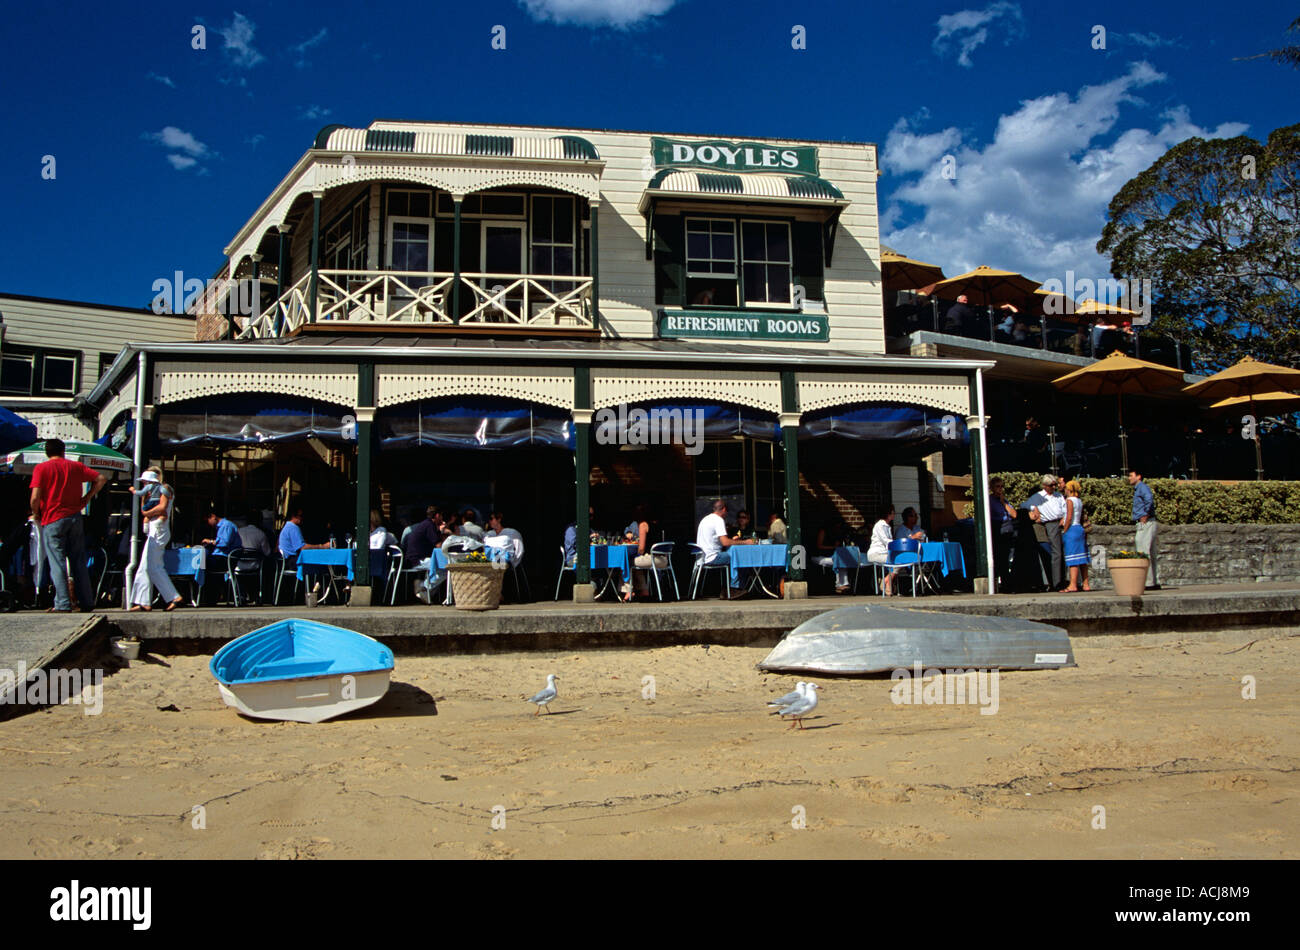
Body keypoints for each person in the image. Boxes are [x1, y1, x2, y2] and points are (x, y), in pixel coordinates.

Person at [29, 439, 107, 613]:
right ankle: (86, 601)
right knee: (79, 560)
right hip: (74, 517)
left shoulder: (41, 469)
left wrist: (36, 513)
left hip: (53, 517)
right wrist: (87, 497)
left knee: (57, 563)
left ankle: (63, 603)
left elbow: (35, 498)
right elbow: (101, 478)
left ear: (47, 453)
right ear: (63, 451)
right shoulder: (75, 467)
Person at [126, 466, 184, 612]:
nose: (145, 485)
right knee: (144, 566)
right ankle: (142, 601)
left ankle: (173, 596)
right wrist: (146, 512)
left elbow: (161, 508)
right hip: (155, 529)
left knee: (153, 566)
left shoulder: (165, 488)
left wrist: (146, 513)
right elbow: (145, 509)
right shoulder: (153, 491)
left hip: (159, 529)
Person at [695, 499, 751, 597]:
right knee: (738, 557)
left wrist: (733, 541)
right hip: (713, 557)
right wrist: (745, 542)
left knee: (732, 554)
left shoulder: (705, 519)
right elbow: (725, 542)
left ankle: (726, 589)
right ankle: (734, 588)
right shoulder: (718, 520)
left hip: (702, 558)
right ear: (724, 509)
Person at [1029, 474, 1067, 591]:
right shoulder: (1039, 496)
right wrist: (1039, 516)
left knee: (1062, 553)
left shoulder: (1058, 495)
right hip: (1049, 523)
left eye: (1055, 485)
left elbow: (1064, 508)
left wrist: (1063, 519)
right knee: (1056, 553)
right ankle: (1056, 582)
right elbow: (1033, 510)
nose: (1054, 487)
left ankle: (1062, 579)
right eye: (1051, 485)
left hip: (1060, 522)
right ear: (1045, 485)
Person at [1129, 467, 1160, 589]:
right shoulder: (1139, 488)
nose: (1129, 478)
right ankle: (1153, 581)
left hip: (1145, 522)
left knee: (1143, 550)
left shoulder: (1142, 487)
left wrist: (1145, 514)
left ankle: (1148, 582)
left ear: (1138, 476)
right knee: (1150, 552)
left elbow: (1149, 499)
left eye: (1131, 475)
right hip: (1147, 521)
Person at [1061, 480, 1091, 592]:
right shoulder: (1079, 501)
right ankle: (1086, 584)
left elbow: (1069, 517)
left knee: (1072, 558)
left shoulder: (1069, 500)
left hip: (1072, 529)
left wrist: (1065, 529)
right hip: (1079, 529)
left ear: (1068, 489)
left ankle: (1072, 584)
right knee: (1082, 558)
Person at [988, 477, 1017, 591]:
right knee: (1000, 558)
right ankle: (1001, 584)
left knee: (1007, 557)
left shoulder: (1004, 501)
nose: (1000, 489)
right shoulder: (990, 500)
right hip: (998, 530)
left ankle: (1007, 583)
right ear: (992, 488)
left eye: (1002, 486)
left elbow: (1014, 514)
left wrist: (1003, 503)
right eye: (997, 487)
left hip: (1008, 530)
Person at [865, 506, 902, 595]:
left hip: (884, 553)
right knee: (898, 561)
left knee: (901, 560)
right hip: (876, 553)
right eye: (893, 512)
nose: (894, 515)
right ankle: (887, 582)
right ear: (888, 514)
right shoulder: (880, 525)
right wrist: (899, 544)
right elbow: (886, 541)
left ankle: (886, 581)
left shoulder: (887, 526)